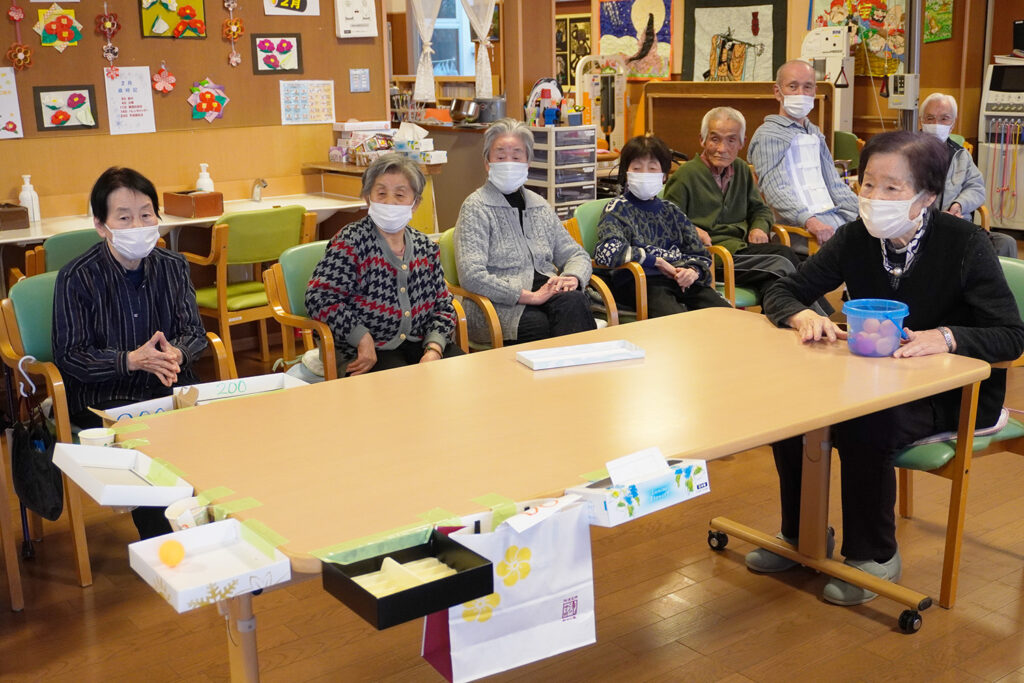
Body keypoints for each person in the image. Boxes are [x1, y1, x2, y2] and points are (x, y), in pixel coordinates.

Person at [748, 131, 1024, 606]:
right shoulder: (857, 238)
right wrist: (803, 315)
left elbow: (1012, 335)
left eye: (892, 188)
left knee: (865, 422)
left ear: (927, 196)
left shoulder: (964, 243)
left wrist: (946, 337)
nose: (874, 198)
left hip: (952, 392)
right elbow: (783, 289)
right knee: (793, 415)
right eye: (868, 184)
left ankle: (873, 554)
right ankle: (802, 536)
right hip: (872, 380)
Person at [54, 166, 208, 539]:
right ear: (101, 225)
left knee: (216, 442)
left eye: (146, 215)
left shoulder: (173, 266)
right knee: (151, 452)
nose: (138, 226)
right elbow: (70, 355)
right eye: (124, 218)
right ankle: (168, 545)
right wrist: (130, 360)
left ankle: (217, 533)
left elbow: (195, 333)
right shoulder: (78, 277)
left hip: (168, 384)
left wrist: (176, 354)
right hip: (104, 397)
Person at [305, 153, 462, 376]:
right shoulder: (350, 241)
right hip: (364, 349)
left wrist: (434, 348)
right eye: (381, 193)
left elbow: (443, 305)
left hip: (420, 343)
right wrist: (361, 337)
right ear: (368, 198)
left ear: (415, 203)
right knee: (400, 387)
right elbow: (319, 297)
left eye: (400, 194)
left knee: (463, 376)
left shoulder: (425, 247)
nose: (390, 202)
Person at [664, 107, 827, 313]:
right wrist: (692, 230)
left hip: (742, 251)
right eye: (715, 139)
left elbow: (761, 210)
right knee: (782, 259)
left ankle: (788, 321)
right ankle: (822, 317)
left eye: (731, 140)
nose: (722, 148)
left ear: (742, 143)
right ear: (702, 140)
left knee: (775, 281)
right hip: (712, 257)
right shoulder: (686, 175)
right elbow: (667, 221)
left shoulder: (741, 169)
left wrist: (759, 227)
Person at [454, 118, 595, 344]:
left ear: (528, 162)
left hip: (545, 292)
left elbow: (575, 254)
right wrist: (529, 297)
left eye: (517, 156)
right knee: (539, 326)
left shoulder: (539, 204)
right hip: (497, 304)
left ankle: (579, 368)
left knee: (575, 302)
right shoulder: (475, 207)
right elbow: (471, 275)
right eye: (500, 157)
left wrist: (572, 277)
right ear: (487, 163)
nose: (508, 163)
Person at [593, 134, 730, 316]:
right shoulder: (617, 209)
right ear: (626, 173)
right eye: (637, 168)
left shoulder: (672, 211)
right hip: (642, 282)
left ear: (664, 176)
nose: (644, 174)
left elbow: (700, 253)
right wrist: (656, 261)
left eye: (652, 169)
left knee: (725, 314)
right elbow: (607, 251)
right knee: (676, 321)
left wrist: (693, 271)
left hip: (680, 279)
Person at [748, 59, 858, 250]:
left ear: (815, 91)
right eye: (793, 86)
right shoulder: (768, 135)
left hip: (832, 219)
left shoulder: (814, 133)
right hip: (800, 230)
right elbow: (776, 190)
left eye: (807, 87)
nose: (801, 93)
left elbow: (834, 183)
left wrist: (863, 212)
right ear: (778, 92)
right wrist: (810, 221)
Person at [919, 92, 1017, 257]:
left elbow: (976, 188)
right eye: (930, 118)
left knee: (1005, 243)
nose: (936, 124)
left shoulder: (961, 155)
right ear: (921, 120)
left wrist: (958, 206)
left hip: (957, 225)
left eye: (944, 119)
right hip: (923, 229)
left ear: (953, 124)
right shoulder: (907, 154)